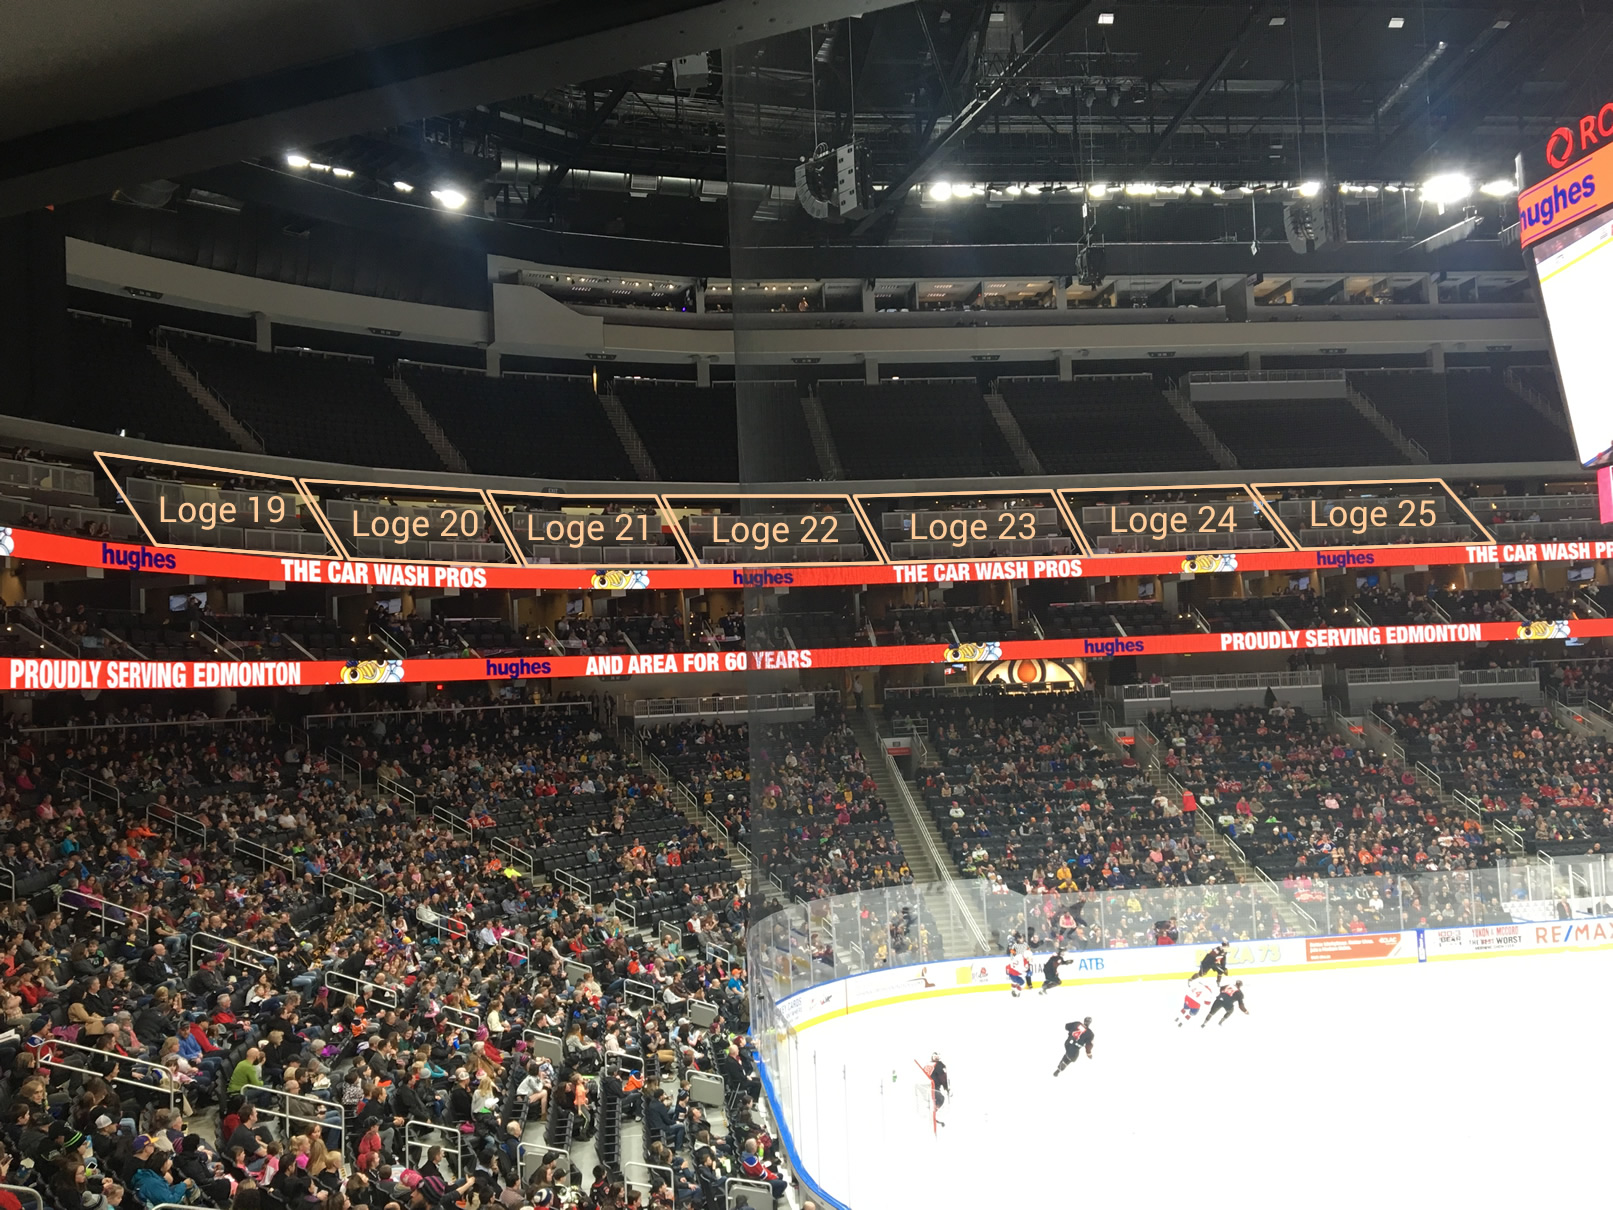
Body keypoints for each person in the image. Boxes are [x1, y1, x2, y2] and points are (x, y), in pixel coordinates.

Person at [916, 1053, 948, 1126]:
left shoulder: (927, 1064)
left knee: (930, 1101)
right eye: (935, 1056)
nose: (936, 1058)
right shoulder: (939, 1065)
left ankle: (931, 1113)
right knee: (941, 1098)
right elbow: (943, 1078)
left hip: (922, 1089)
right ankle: (933, 1112)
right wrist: (947, 1088)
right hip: (932, 1089)